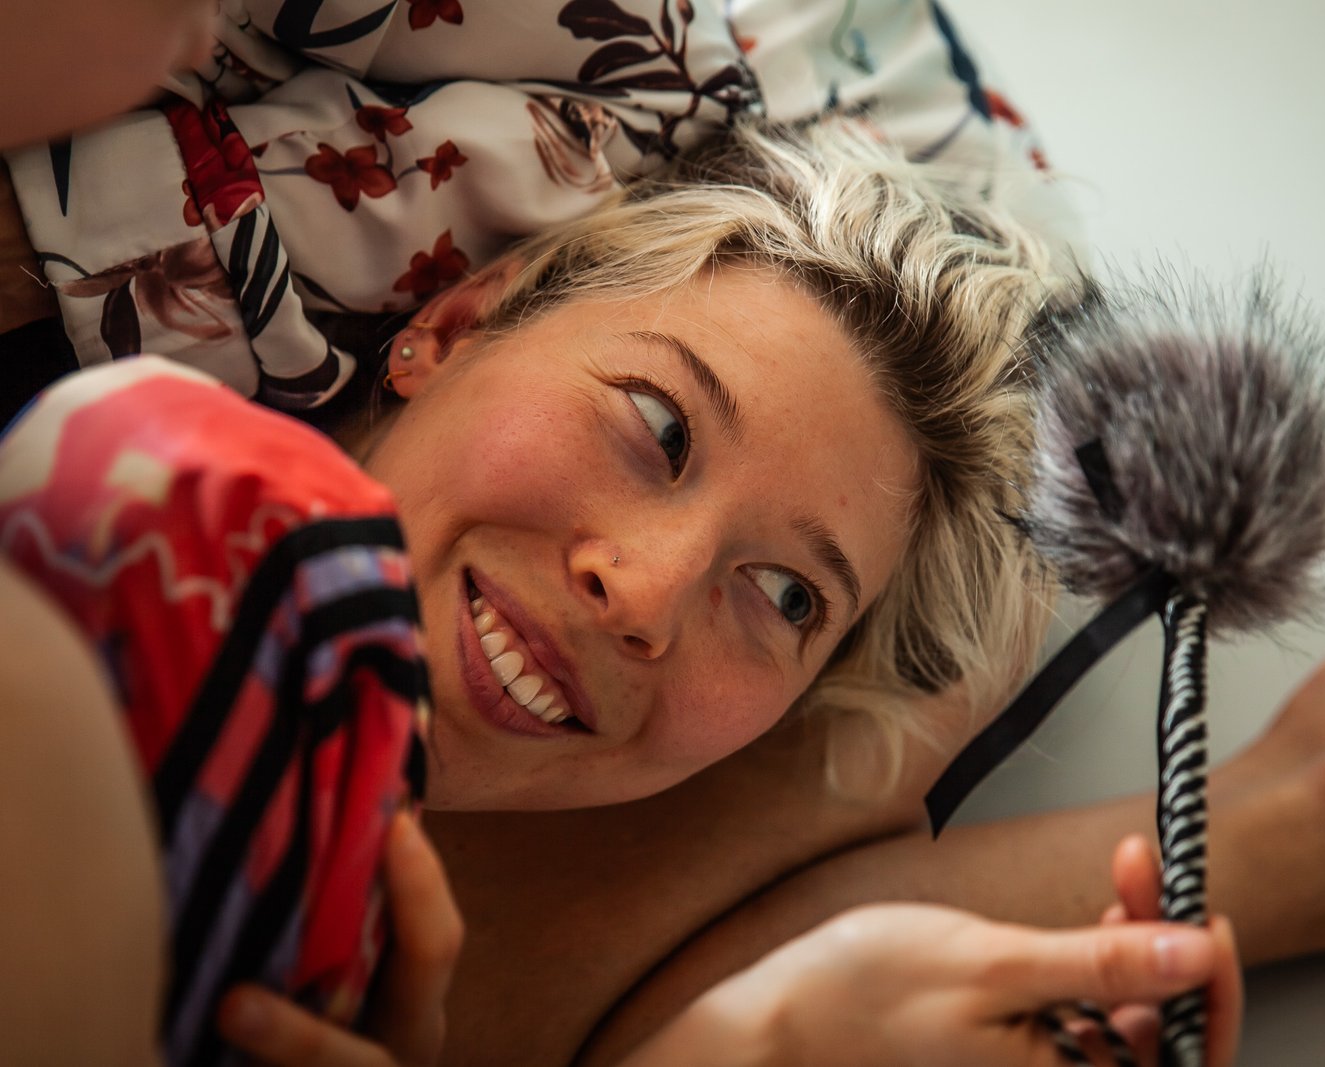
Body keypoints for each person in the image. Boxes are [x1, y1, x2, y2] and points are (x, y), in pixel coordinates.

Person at [0, 97, 1242, 1066]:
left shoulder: (344, 952)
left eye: (788, 597)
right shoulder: (92, 539)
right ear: (458, 323)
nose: (646, 594)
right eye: (658, 425)